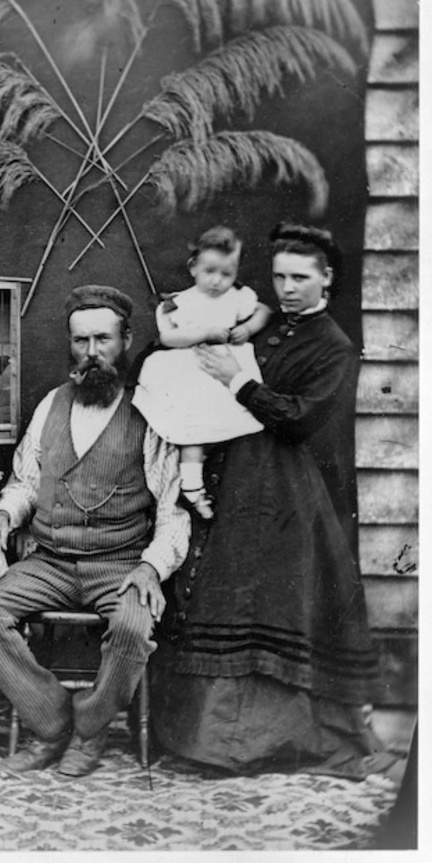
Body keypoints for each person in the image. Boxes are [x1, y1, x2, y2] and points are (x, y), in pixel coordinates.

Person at [150, 223, 393, 779]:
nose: (287, 288)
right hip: (241, 478)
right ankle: (210, 740)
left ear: (327, 278)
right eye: (280, 275)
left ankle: (267, 741)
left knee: (270, 604)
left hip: (290, 490)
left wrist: (238, 381)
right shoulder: (269, 324)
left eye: (300, 278)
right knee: (230, 596)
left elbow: (301, 418)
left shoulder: (334, 345)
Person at [0, 284, 191, 777]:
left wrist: (152, 566)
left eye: (103, 339)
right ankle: (51, 724)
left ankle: (91, 727)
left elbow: (173, 508)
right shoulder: (51, 405)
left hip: (120, 562)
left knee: (133, 624)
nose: (91, 353)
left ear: (126, 339)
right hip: (49, 560)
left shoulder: (150, 412)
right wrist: (2, 517)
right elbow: (25, 483)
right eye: (80, 341)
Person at [132, 226, 271, 519]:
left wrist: (247, 328)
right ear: (193, 267)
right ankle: (193, 488)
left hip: (226, 372)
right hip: (191, 372)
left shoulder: (237, 296)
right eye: (210, 271)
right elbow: (168, 338)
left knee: (231, 430)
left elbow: (263, 311)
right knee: (193, 431)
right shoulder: (182, 301)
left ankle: (217, 487)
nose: (218, 281)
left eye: (227, 274)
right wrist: (204, 332)